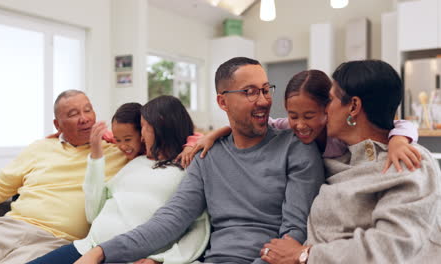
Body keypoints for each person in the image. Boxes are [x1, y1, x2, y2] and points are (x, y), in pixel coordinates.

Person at [74, 57, 325, 264]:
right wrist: (101, 252)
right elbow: (171, 219)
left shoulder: (296, 147)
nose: (263, 100)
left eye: (265, 89)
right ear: (222, 101)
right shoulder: (208, 156)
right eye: (249, 92)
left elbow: (294, 234)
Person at [260, 60, 441, 264]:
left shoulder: (407, 161)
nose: (324, 110)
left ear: (353, 106)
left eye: (329, 100)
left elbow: (389, 249)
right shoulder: (330, 158)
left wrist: (303, 255)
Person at [29, 98, 210, 264]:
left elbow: (198, 228)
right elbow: (93, 213)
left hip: (129, 258)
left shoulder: (188, 169)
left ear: (160, 127)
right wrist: (96, 155)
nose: (141, 136)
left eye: (144, 127)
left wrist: (161, 259)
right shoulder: (135, 163)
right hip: (86, 248)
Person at [0, 90, 128, 264]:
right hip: (10, 228)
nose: (84, 118)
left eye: (88, 110)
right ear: (58, 125)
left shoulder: (118, 153)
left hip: (54, 241)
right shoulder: (40, 148)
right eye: (73, 114)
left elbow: (153, 147)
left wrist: (120, 136)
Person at [188, 69, 420, 173]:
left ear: (327, 108)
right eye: (292, 115)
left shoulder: (338, 134)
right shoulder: (289, 127)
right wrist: (213, 135)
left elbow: (402, 124)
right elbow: (256, 125)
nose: (300, 124)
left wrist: (399, 142)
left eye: (309, 116)